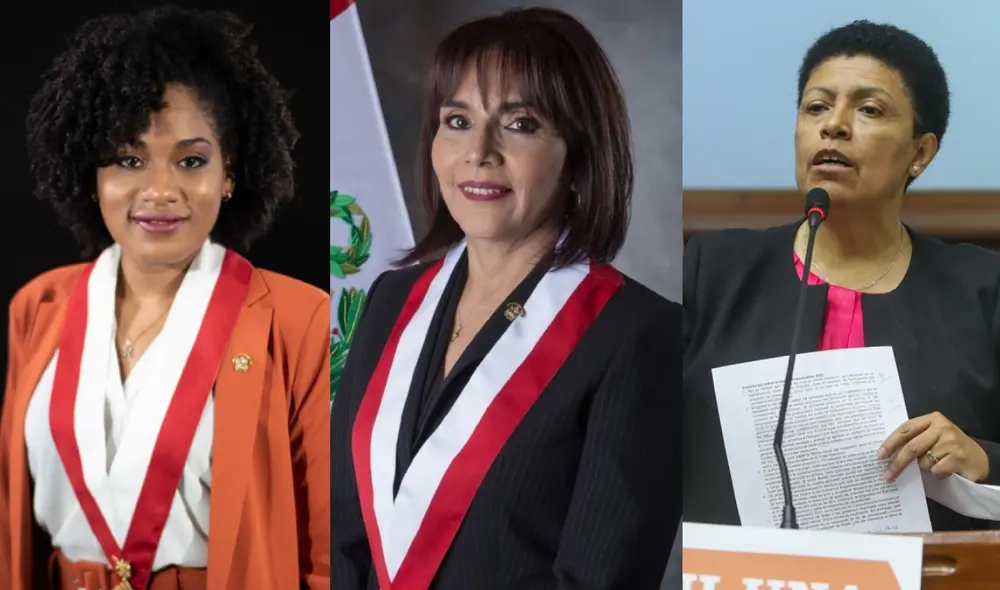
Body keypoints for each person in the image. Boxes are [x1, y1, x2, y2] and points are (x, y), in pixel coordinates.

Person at [330, 7, 681, 590]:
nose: (479, 151)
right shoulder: (391, 300)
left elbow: (601, 577)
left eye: (520, 124)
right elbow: (344, 535)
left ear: (578, 157)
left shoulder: (637, 336)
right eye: (457, 120)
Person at [0, 7, 330, 590]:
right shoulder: (37, 306)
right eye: (129, 160)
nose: (159, 190)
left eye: (192, 161)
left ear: (229, 174)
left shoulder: (300, 321)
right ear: (92, 174)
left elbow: (326, 557)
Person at [683, 20, 1000, 532]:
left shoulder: (984, 289)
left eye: (869, 109)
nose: (833, 126)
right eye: (816, 107)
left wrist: (983, 460)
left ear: (920, 153)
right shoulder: (711, 271)